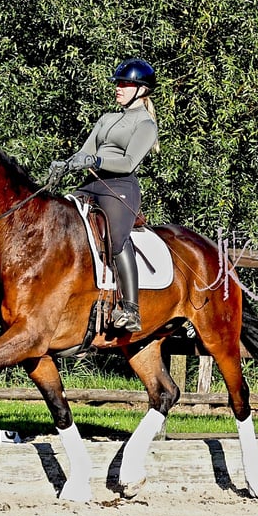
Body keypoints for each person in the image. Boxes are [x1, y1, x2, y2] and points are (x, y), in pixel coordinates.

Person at [50, 58, 160, 332]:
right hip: (91, 184)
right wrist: (65, 165)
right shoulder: (107, 119)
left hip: (120, 188)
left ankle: (132, 309)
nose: (118, 89)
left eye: (124, 84)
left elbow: (128, 163)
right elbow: (85, 150)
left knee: (116, 240)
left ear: (141, 89)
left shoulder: (146, 125)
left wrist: (95, 162)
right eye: (118, 84)